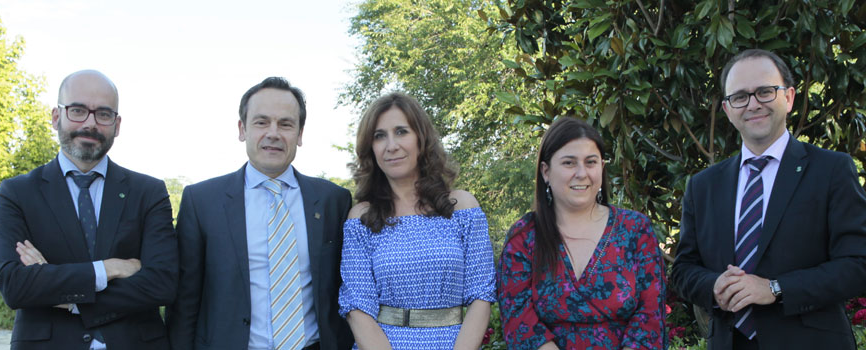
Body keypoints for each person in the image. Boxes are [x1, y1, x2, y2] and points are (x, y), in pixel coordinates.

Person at [671, 49, 866, 349]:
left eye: (764, 91)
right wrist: (715, 286)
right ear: (727, 109)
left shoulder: (832, 170)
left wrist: (775, 288)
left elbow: (857, 264)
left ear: (788, 98)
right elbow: (683, 270)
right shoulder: (703, 186)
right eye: (740, 97)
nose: (753, 104)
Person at [0, 70, 178, 349]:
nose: (90, 124)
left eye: (103, 114)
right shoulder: (17, 193)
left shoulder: (148, 192)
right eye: (78, 110)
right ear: (56, 117)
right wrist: (110, 268)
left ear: (117, 124)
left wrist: (67, 296)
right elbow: (16, 286)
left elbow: (162, 283)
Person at [166, 77, 353, 350]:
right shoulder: (202, 201)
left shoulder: (333, 201)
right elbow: (184, 299)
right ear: (242, 129)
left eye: (286, 124)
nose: (273, 133)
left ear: (300, 134)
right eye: (261, 122)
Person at [338, 92, 495, 349]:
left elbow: (482, 295)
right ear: (371, 148)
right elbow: (357, 307)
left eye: (401, 132)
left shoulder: (463, 208)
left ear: (421, 140)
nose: (391, 145)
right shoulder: (361, 219)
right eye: (379, 136)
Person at [498, 117, 666, 349]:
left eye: (590, 162)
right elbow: (519, 321)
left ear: (602, 168)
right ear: (546, 171)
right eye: (569, 163)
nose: (581, 173)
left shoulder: (636, 230)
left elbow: (650, 315)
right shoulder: (524, 237)